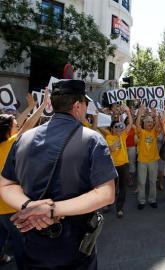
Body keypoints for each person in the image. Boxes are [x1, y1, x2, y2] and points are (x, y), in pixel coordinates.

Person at [0, 80, 117, 269]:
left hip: (32, 247)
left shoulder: (23, 138)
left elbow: (5, 185)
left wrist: (31, 206)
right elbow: (106, 194)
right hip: (76, 250)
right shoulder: (93, 139)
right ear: (77, 106)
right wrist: (50, 209)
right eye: (86, 104)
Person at [0, 92, 47, 269]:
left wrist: (29, 106)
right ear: (8, 131)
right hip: (10, 205)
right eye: (15, 125)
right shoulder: (10, 143)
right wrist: (41, 106)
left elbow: (17, 121)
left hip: (1, 205)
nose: (17, 125)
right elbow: (27, 125)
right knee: (21, 242)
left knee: (2, 235)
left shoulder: (4, 141)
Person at [106, 105, 133, 218]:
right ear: (112, 129)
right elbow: (111, 148)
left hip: (124, 165)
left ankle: (120, 208)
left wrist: (128, 111)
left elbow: (130, 124)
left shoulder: (123, 135)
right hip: (113, 166)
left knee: (123, 187)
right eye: (116, 127)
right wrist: (116, 141)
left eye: (119, 126)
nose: (119, 128)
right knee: (111, 187)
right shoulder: (109, 137)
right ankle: (107, 204)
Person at [135, 105, 161, 210]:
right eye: (147, 122)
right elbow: (137, 125)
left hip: (153, 161)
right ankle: (141, 201)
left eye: (151, 122)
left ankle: (152, 200)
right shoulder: (141, 132)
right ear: (144, 124)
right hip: (142, 161)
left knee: (152, 181)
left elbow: (158, 125)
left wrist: (155, 116)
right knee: (141, 182)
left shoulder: (154, 132)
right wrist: (140, 113)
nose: (150, 123)